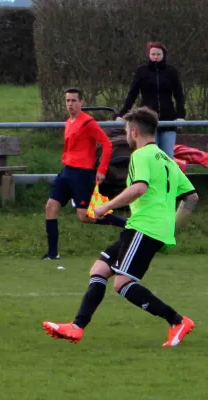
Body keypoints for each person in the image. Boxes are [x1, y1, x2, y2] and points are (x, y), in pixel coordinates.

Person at [42, 107, 199, 347]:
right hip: (148, 228)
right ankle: (76, 327)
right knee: (99, 269)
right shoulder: (167, 160)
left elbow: (139, 188)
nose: (126, 135)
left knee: (122, 284)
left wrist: (106, 208)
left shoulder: (140, 156)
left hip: (145, 228)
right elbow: (191, 198)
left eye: (126, 130)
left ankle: (177, 321)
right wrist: (171, 230)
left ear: (133, 132)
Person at [42, 88, 126, 260]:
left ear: (82, 103)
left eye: (74, 101)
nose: (70, 104)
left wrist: (101, 170)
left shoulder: (88, 123)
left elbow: (107, 145)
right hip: (66, 172)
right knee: (50, 207)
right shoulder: (68, 122)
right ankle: (52, 254)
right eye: (67, 101)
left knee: (85, 216)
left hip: (81, 175)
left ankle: (127, 225)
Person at [117, 41, 185, 158]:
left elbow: (179, 95)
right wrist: (122, 113)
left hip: (168, 119)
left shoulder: (171, 71)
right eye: (153, 54)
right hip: (147, 120)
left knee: (167, 155)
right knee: (151, 155)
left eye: (158, 54)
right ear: (149, 55)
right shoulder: (142, 71)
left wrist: (180, 116)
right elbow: (132, 94)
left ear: (163, 55)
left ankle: (166, 176)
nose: (155, 57)